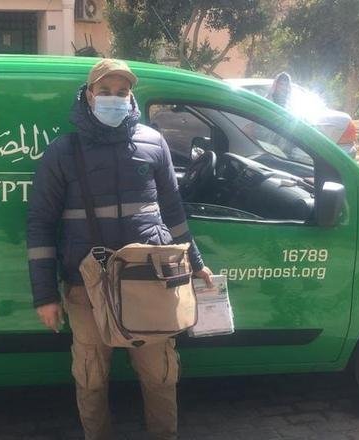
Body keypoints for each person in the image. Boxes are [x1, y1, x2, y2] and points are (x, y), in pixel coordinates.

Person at [26, 58, 213, 440]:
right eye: (105, 91)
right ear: (89, 95)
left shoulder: (153, 142)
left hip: (150, 284)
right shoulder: (62, 152)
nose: (114, 98)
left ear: (131, 98)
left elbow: (174, 212)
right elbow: (41, 223)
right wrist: (45, 295)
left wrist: (196, 262)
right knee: (91, 377)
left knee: (160, 375)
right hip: (86, 287)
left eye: (122, 92)